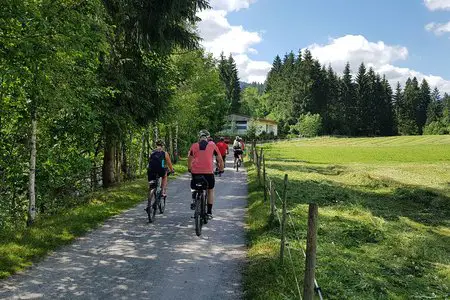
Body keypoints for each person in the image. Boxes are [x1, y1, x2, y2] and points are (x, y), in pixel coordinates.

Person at [188, 130, 224, 218]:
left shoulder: (194, 146)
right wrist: (221, 169)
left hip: (196, 172)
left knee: (194, 185)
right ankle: (209, 212)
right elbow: (219, 158)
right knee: (210, 189)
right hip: (208, 173)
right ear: (208, 138)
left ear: (199, 138)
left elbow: (189, 159)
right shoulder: (212, 145)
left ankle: (194, 199)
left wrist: (189, 168)